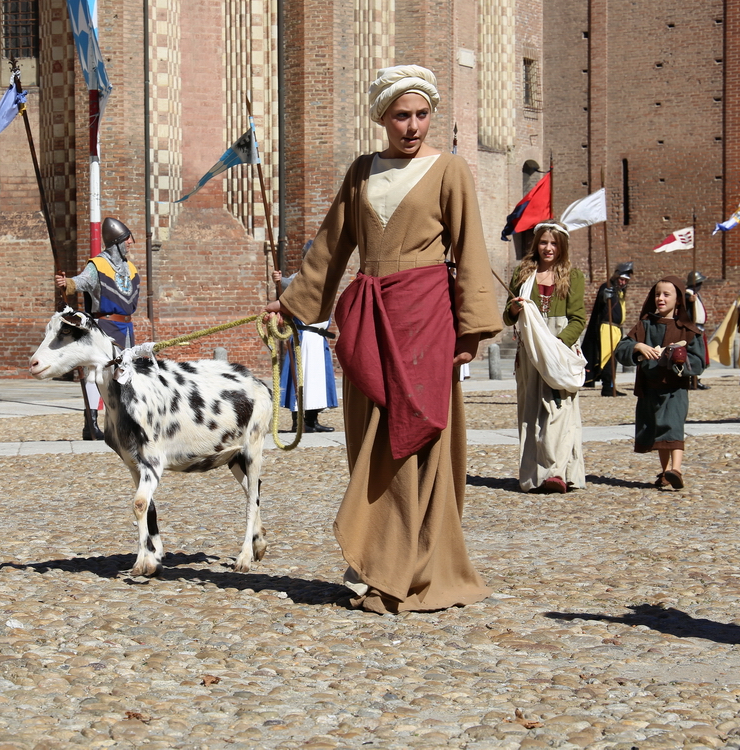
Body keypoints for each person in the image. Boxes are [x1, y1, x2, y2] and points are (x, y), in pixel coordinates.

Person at [264, 65, 503, 613]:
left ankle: (418, 570)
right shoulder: (360, 172)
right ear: (383, 119)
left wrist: (470, 329)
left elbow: (469, 251)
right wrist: (294, 306)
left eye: (421, 115)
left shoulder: (451, 170)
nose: (413, 125)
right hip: (371, 318)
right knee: (371, 438)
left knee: (417, 438)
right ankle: (378, 562)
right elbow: (329, 248)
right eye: (402, 115)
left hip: (427, 319)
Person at [502, 221, 586, 494]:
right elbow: (507, 316)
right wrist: (514, 310)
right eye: (543, 242)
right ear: (536, 244)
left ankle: (558, 472)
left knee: (559, 409)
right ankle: (533, 476)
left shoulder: (572, 276)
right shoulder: (523, 274)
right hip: (530, 349)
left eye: (554, 243)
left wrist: (559, 344)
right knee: (530, 411)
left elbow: (578, 318)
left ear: (561, 246)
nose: (548, 248)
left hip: (559, 347)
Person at [614, 276, 705, 490]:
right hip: (650, 387)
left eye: (666, 294)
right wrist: (638, 347)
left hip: (674, 388)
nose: (660, 299)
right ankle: (666, 472)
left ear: (678, 300)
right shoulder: (645, 325)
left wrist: (678, 357)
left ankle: (677, 470)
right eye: (657, 294)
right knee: (659, 432)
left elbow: (698, 363)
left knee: (673, 426)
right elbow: (621, 348)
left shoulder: (688, 330)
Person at [55, 217, 140, 439]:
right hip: (105, 325)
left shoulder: (130, 267)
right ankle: (91, 424)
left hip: (126, 327)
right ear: (116, 241)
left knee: (125, 373)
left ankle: (122, 421)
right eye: (126, 239)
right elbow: (82, 281)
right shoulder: (98, 265)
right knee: (97, 373)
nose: (130, 243)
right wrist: (68, 283)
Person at [272, 267, 338, 433]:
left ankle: (311, 420)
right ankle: (298, 422)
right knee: (301, 380)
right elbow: (295, 286)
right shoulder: (300, 278)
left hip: (318, 338)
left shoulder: (324, 279)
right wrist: (280, 281)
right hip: (304, 338)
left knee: (317, 382)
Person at [583, 262, 633, 396]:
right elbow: (601, 300)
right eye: (621, 279)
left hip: (616, 329)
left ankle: (611, 385)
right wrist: (604, 296)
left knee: (614, 358)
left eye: (625, 280)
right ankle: (607, 387)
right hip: (607, 327)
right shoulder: (607, 287)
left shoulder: (620, 292)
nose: (623, 282)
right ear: (616, 277)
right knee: (607, 358)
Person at [684, 270, 711, 390]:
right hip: (692, 328)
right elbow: (684, 304)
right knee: (694, 354)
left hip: (699, 329)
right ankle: (692, 379)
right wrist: (690, 301)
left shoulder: (695, 294)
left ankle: (696, 378)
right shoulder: (687, 294)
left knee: (701, 354)